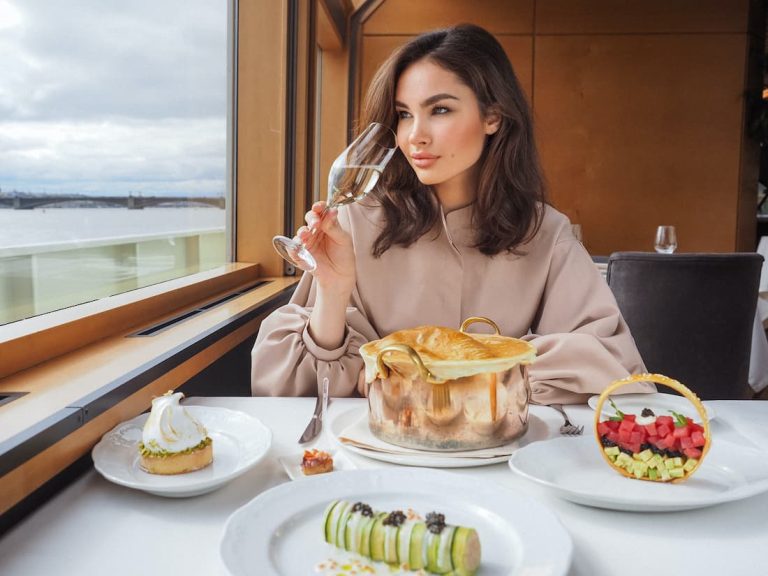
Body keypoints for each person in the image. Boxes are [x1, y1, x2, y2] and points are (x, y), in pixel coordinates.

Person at [251, 23, 651, 403]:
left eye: (439, 110)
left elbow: (613, 364)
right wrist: (333, 292)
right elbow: (285, 391)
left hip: (500, 455)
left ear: (492, 116)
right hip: (380, 453)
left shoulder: (543, 231)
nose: (414, 135)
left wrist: (451, 372)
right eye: (404, 114)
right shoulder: (354, 225)